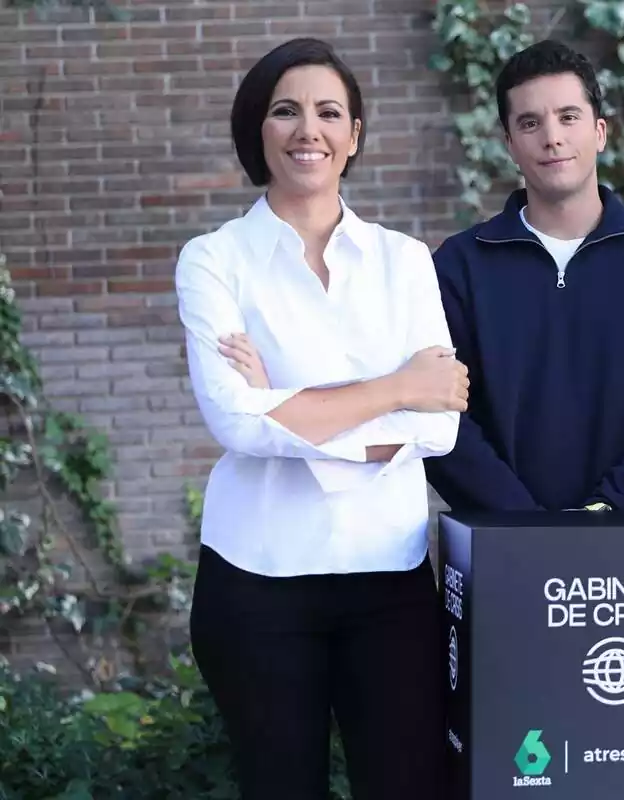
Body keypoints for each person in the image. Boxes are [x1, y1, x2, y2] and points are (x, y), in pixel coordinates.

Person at [175, 37, 466, 800]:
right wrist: (397, 386)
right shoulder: (213, 259)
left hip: (389, 582)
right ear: (258, 131)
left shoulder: (405, 261)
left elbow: (441, 426)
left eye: (329, 112)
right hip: (256, 582)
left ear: (355, 135)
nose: (309, 129)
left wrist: (293, 410)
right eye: (286, 111)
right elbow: (237, 422)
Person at [424, 39, 624, 514]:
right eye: (529, 123)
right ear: (510, 145)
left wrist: (607, 510)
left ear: (599, 131)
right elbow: (442, 413)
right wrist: (526, 523)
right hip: (503, 546)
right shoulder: (457, 267)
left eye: (568, 116)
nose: (552, 137)